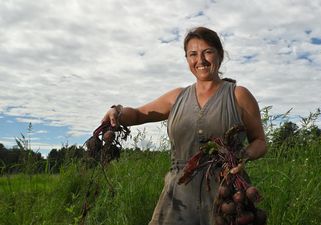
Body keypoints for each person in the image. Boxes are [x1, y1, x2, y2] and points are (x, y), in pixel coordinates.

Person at [101, 26, 267, 225]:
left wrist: (242, 157)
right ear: (187, 59)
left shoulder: (238, 95)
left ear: (220, 55)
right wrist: (117, 112)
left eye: (207, 52)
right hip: (177, 198)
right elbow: (138, 114)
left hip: (226, 195)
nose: (201, 60)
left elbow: (260, 141)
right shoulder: (177, 97)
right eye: (193, 54)